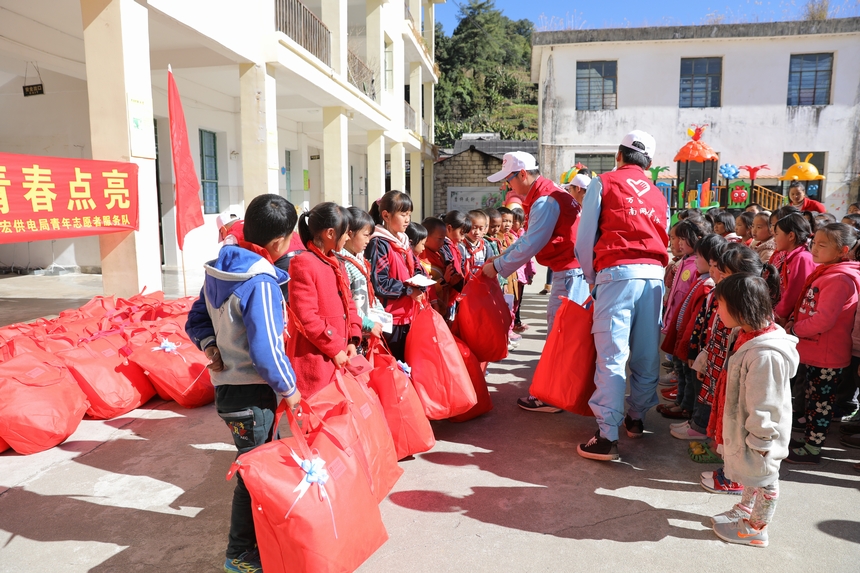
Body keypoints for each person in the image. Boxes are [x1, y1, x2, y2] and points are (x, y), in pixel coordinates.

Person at [185, 194, 300, 573]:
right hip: (253, 393)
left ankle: (256, 544)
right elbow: (267, 352)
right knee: (252, 475)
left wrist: (210, 345)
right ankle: (240, 555)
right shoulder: (261, 281)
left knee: (253, 467)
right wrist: (289, 388)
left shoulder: (219, 267)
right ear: (279, 243)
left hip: (229, 391)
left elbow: (196, 320)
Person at [575, 130, 669, 459]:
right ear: (650, 163)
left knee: (612, 358)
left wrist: (591, 278)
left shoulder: (604, 182)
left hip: (616, 275)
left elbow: (584, 237)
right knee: (645, 354)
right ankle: (637, 418)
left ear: (619, 155)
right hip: (654, 278)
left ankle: (606, 436)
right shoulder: (659, 194)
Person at [481, 151, 585, 413]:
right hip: (575, 271)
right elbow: (529, 238)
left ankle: (550, 396)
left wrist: (498, 267)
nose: (509, 186)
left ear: (523, 174)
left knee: (558, 336)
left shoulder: (544, 202)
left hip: (569, 273)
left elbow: (531, 243)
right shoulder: (552, 195)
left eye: (510, 180)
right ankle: (559, 392)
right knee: (565, 336)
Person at [709, 273, 798, 548]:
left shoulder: (765, 354)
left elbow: (765, 403)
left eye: (720, 304)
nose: (717, 309)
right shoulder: (747, 335)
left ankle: (756, 530)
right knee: (752, 475)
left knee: (766, 478)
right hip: (747, 428)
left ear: (740, 307)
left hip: (760, 435)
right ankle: (745, 511)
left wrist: (760, 441)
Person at [785, 223, 860, 464]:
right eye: (814, 242)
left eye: (822, 245)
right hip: (815, 349)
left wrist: (796, 328)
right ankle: (808, 442)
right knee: (813, 401)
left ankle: (813, 449)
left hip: (827, 353)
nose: (814, 248)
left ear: (843, 250)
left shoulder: (840, 279)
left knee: (820, 405)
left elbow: (824, 319)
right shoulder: (827, 272)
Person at [287, 202, 362, 398]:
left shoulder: (337, 262)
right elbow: (305, 316)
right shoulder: (303, 263)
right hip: (316, 360)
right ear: (330, 233)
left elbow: (349, 303)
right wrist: (335, 346)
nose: (347, 237)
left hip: (340, 354)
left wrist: (353, 339)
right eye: (345, 232)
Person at [366, 191, 424, 360]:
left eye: (409, 215)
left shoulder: (403, 241)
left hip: (407, 314)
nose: (408, 220)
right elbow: (380, 283)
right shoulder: (379, 243)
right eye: (403, 214)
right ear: (386, 215)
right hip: (390, 318)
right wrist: (408, 290)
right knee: (393, 365)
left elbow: (417, 267)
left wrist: (420, 282)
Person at [339, 206, 386, 350]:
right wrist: (367, 323)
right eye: (365, 235)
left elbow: (368, 290)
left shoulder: (358, 259)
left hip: (365, 327)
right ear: (350, 234)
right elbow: (347, 302)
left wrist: (380, 312)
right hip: (355, 330)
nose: (368, 240)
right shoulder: (342, 262)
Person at [771, 213, 815, 325]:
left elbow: (795, 293)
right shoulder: (790, 255)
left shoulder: (802, 258)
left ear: (791, 236)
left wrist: (781, 313)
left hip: (794, 317)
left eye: (777, 234)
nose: (774, 238)